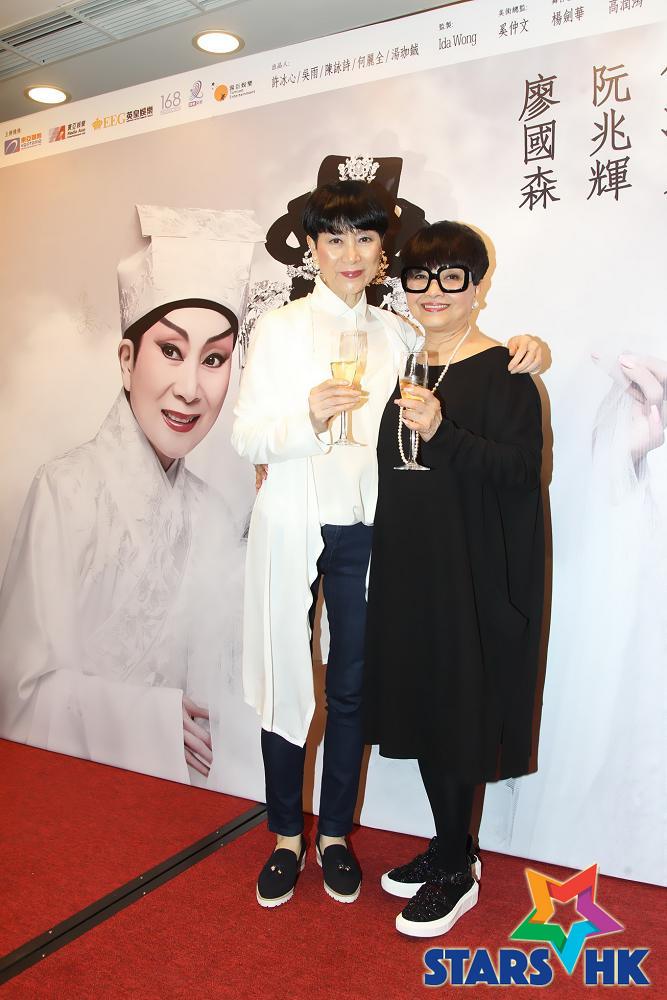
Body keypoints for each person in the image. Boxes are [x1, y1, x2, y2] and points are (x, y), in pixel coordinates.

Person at [232, 180, 543, 909]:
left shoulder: (396, 334)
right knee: (285, 676)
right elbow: (246, 436)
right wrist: (305, 419)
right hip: (293, 521)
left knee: (352, 687)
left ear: (382, 254)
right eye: (334, 238)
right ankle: (286, 836)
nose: (350, 253)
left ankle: (335, 836)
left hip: (372, 532)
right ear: (311, 249)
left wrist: (525, 347)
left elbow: (458, 358)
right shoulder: (277, 329)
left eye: (365, 239)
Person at [0, 204, 263, 787]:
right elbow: (20, 695)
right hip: (72, 791)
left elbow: (224, 692)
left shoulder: (213, 515)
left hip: (183, 795)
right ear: (126, 359)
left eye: (214, 359)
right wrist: (151, 719)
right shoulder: (65, 490)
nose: (190, 388)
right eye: (170, 350)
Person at [364, 220, 545, 938]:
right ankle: (450, 846)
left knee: (456, 708)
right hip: (407, 564)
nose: (433, 291)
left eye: (451, 277)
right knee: (421, 701)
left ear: (477, 287)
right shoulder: (405, 360)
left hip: (467, 570)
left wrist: (446, 434)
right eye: (419, 276)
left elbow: (520, 471)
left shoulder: (505, 370)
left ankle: (456, 871)